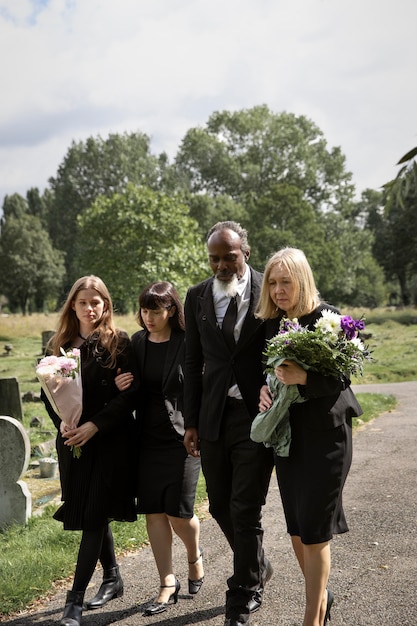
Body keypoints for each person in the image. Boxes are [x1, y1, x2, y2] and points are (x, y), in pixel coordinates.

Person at [256, 248, 363, 626]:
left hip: (326, 437)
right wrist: (263, 390)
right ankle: (322, 597)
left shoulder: (328, 319)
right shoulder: (273, 323)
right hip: (288, 439)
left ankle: (311, 618)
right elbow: (266, 370)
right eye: (272, 282)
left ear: (302, 280)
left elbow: (343, 377)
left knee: (316, 532)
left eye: (286, 281)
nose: (278, 290)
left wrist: (305, 379)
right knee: (297, 529)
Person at [183, 221, 274, 626]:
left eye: (229, 257)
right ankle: (257, 564)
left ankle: (243, 594)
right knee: (220, 504)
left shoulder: (267, 289)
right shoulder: (197, 296)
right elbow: (192, 361)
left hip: (257, 415)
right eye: (214, 259)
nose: (221, 265)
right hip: (213, 416)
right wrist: (191, 422)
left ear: (246, 254)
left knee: (244, 508)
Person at [41, 275, 137, 626]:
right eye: (83, 302)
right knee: (91, 511)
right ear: (73, 306)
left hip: (110, 441)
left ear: (106, 305)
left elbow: (131, 394)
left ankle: (74, 602)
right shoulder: (59, 344)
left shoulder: (119, 343)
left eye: (96, 302)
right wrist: (62, 422)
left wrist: (96, 424)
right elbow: (47, 394)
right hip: (73, 444)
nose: (89, 308)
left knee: (96, 514)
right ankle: (113, 576)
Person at [115, 281, 204, 617]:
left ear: (172, 310)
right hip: (146, 438)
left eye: (156, 310)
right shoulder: (138, 343)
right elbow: (134, 387)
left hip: (184, 436)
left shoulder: (188, 342)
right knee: (153, 511)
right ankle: (167, 582)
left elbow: (201, 384)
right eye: (144, 310)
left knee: (179, 512)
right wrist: (122, 384)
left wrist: (200, 426)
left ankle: (194, 556)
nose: (148, 317)